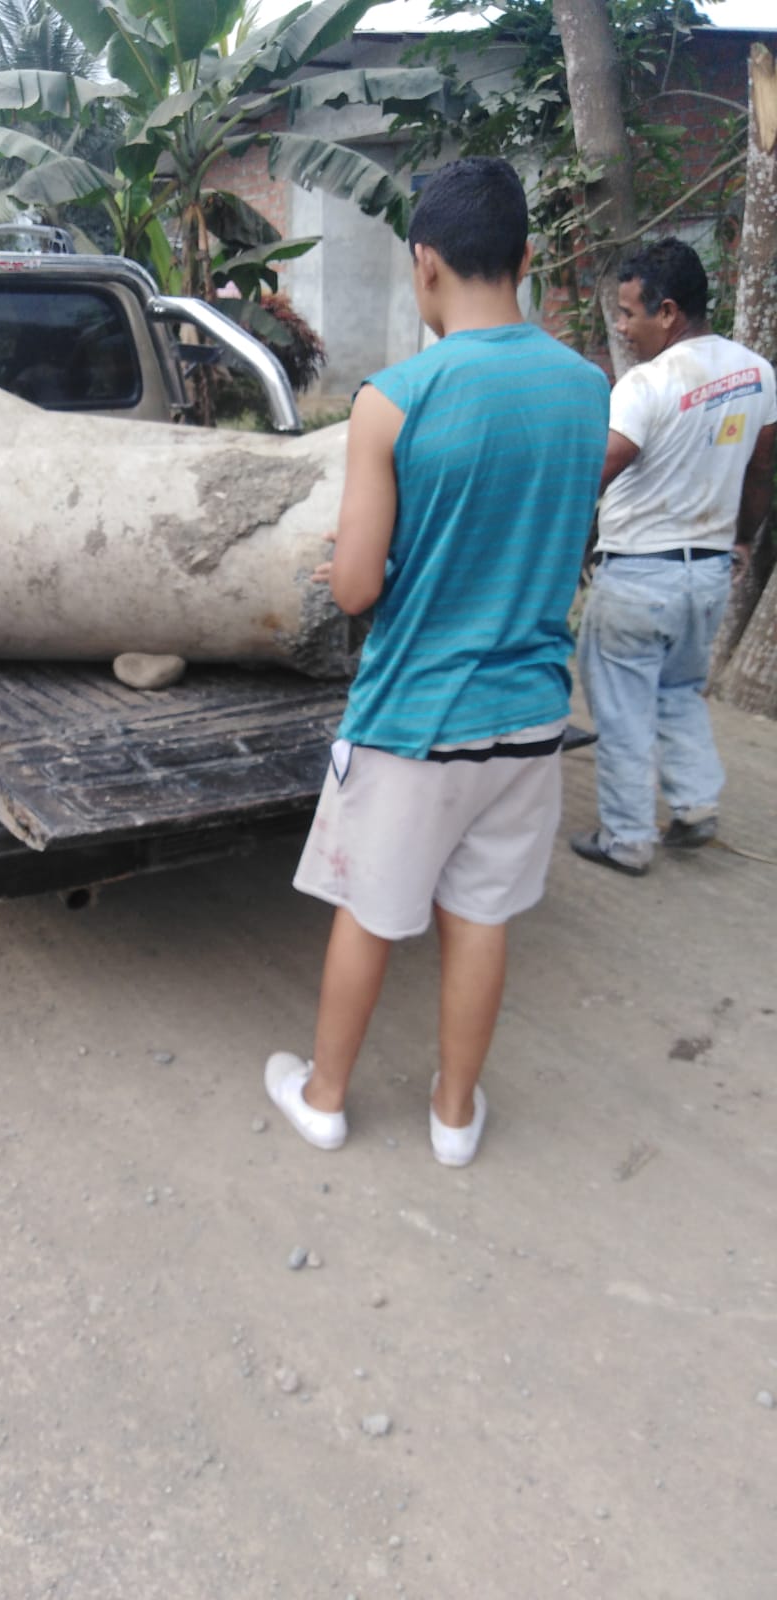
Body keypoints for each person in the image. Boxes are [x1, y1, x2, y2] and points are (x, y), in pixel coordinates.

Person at [263, 158, 609, 1167]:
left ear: (425, 263)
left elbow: (357, 589)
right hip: (529, 715)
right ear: (527, 257)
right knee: (482, 915)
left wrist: (350, 560)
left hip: (416, 719)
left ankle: (326, 1097)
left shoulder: (395, 399)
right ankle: (455, 1115)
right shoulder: (589, 387)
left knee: (370, 912)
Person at [570, 238, 776, 875]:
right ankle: (694, 804)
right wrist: (742, 538)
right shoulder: (757, 373)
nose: (621, 327)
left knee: (622, 707)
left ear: (667, 312)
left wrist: (558, 536)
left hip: (638, 577)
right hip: (708, 575)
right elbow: (761, 470)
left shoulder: (647, 384)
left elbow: (596, 470)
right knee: (680, 689)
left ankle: (628, 838)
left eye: (628, 313)